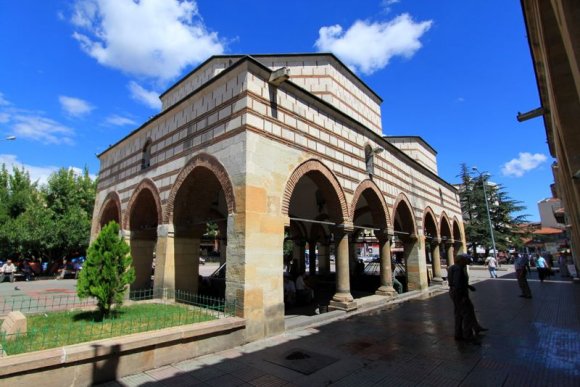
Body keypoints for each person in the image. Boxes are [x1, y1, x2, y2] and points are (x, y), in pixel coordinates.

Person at [448, 254, 487, 343]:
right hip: (459, 293)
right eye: (466, 260)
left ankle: (459, 334)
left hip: (454, 292)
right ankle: (468, 335)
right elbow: (457, 283)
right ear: (461, 260)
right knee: (466, 314)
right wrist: (463, 296)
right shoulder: (458, 269)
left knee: (458, 313)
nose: (467, 261)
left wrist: (468, 286)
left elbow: (456, 282)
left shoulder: (453, 267)